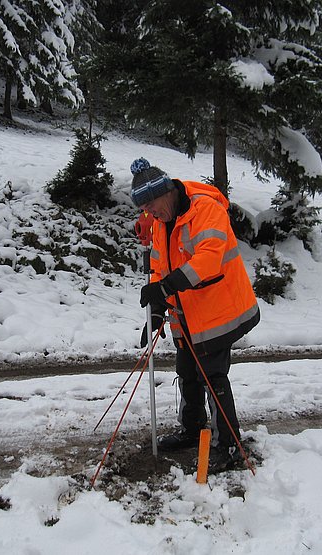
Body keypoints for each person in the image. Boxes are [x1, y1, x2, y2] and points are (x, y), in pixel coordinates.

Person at [130, 157, 260, 473]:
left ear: (166, 191)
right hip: (187, 312)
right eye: (144, 208)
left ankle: (229, 446)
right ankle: (192, 429)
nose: (150, 212)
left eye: (152, 204)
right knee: (187, 371)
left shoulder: (206, 209)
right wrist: (159, 309)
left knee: (212, 375)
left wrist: (165, 288)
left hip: (220, 309)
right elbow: (161, 267)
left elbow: (208, 261)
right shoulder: (161, 224)